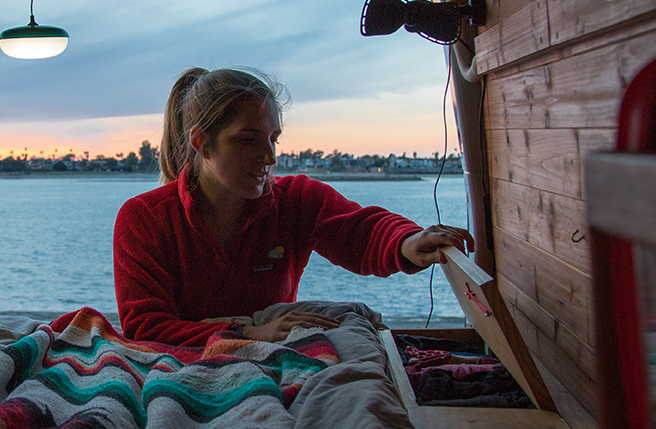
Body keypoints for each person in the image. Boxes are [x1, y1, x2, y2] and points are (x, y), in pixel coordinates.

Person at [112, 67, 475, 347]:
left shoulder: (296, 200)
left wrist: (406, 243)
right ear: (202, 142)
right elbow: (146, 327)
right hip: (181, 372)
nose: (269, 157)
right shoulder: (144, 218)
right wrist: (250, 333)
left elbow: (360, 230)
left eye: (273, 139)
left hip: (272, 369)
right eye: (248, 139)